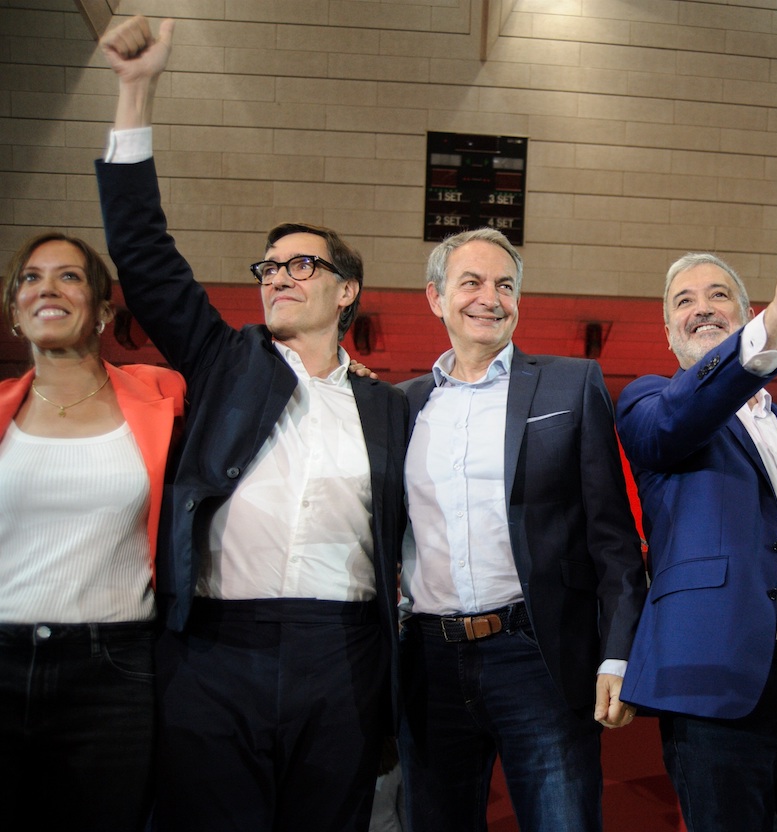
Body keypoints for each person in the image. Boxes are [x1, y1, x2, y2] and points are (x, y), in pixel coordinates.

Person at [96, 17, 409, 830]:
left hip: (344, 655)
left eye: (303, 264)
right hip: (213, 649)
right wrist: (137, 91)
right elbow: (145, 255)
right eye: (270, 265)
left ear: (347, 292)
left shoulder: (390, 407)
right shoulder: (225, 361)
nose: (279, 276)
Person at [616, 186, 777, 832]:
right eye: (684, 301)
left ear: (743, 309)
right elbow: (681, 419)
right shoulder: (649, 402)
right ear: (668, 330)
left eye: (718, 296)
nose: (702, 309)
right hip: (718, 693)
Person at [396, 227, 647, 832]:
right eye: (472, 282)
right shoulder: (398, 406)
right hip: (427, 663)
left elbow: (612, 540)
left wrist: (617, 656)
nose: (491, 297)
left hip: (537, 654)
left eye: (505, 285)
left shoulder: (570, 383)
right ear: (435, 298)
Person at [0, 232, 184, 832]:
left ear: (105, 311)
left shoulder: (163, 395)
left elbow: (253, 380)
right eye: (30, 277)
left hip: (115, 670)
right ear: (14, 314)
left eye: (69, 276)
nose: (47, 288)